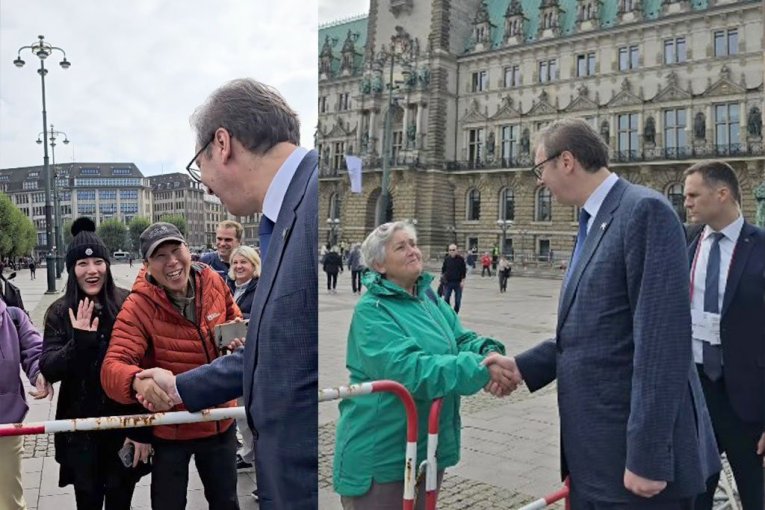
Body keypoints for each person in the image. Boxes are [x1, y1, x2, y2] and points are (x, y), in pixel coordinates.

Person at [498, 118, 720, 507]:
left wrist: (648, 455)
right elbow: (601, 329)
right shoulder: (593, 220)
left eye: (540, 169)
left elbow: (661, 342)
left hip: (633, 467)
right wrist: (524, 366)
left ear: (566, 161)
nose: (539, 181)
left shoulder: (643, 211)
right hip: (597, 460)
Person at [131, 78, 318, 509]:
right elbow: (274, 350)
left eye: (201, 168)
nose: (208, 187)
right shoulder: (280, 219)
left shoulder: (311, 205)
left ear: (223, 143)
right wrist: (178, 387)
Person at [333, 221, 516, 509]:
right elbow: (412, 370)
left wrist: (489, 352)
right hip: (383, 453)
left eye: (413, 244)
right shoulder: (372, 311)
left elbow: (462, 338)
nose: (413, 251)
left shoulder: (427, 298)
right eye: (401, 247)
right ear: (379, 264)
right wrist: (483, 369)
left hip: (426, 448)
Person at [100, 222, 242, 510]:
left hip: (220, 421)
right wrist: (137, 380)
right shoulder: (137, 306)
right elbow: (111, 368)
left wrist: (235, 338)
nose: (172, 262)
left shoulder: (212, 279)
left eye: (176, 250)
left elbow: (233, 317)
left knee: (226, 501)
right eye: (160, 256)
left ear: (188, 249)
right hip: (172, 428)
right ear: (147, 265)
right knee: (168, 504)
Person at [40, 218, 151, 510]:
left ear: (107, 265)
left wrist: (141, 430)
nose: (92, 271)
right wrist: (79, 343)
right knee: (87, 502)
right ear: (71, 269)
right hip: (80, 432)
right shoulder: (59, 311)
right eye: (82, 265)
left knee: (120, 500)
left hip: (123, 422)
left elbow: (144, 365)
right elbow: (49, 368)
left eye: (99, 262)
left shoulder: (128, 303)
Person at [683, 161, 765, 510]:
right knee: (695, 495)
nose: (685, 202)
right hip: (697, 396)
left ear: (722, 193)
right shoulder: (684, 242)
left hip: (750, 402)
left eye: (693, 195)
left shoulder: (760, 246)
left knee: (755, 495)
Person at [0, 296, 52, 510]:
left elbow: (35, 351)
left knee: (9, 500)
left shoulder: (13, 317)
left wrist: (41, 373)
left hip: (4, 425)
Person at [226, 245, 260, 478]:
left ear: (253, 265)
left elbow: (261, 314)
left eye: (243, 263)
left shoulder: (259, 287)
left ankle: (258, 460)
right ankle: (248, 454)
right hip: (231, 353)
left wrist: (239, 319)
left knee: (250, 412)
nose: (238, 267)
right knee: (239, 411)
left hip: (251, 356)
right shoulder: (229, 287)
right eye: (235, 263)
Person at [441, 243, 467, 313]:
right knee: (446, 299)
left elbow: (463, 271)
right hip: (448, 283)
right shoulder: (447, 259)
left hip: (458, 283)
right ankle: (449, 312)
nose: (451, 251)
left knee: (458, 301)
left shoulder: (461, 259)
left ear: (456, 250)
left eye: (453, 250)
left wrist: (462, 281)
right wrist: (442, 279)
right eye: (450, 250)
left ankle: (455, 313)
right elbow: (443, 270)